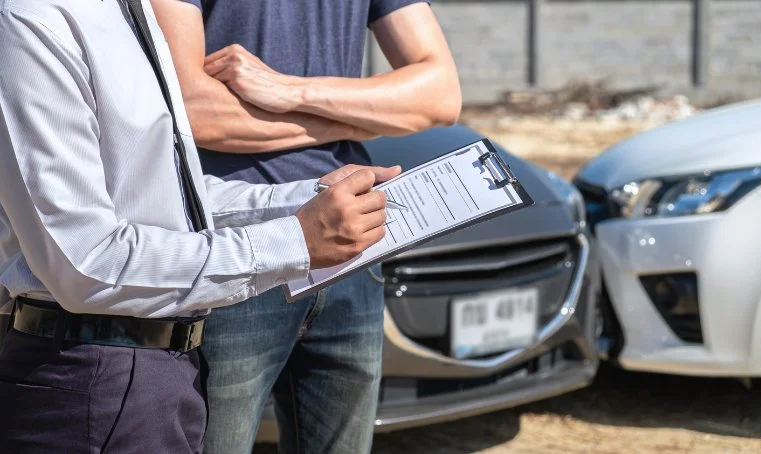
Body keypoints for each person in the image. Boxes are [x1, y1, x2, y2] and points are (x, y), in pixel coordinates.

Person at [0, 0, 399, 452]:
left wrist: (306, 199)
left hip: (166, 371)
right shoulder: (31, 17)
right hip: (88, 375)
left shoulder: (127, 11)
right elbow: (86, 263)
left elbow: (172, 199)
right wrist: (295, 240)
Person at [151, 0, 461, 452]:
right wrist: (353, 121)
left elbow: (440, 95)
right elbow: (190, 108)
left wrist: (293, 92)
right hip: (237, 246)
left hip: (354, 244)